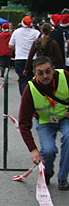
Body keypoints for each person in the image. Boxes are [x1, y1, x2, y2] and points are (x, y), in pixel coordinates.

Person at [18, 56, 69, 190]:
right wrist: (33, 149)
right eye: (40, 73)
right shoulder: (30, 89)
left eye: (48, 71)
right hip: (45, 121)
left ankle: (63, 178)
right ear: (34, 73)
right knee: (47, 151)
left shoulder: (65, 76)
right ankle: (47, 172)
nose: (45, 76)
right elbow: (23, 123)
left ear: (53, 69)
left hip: (65, 118)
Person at [9, 15, 41, 95]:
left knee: (22, 79)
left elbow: (10, 45)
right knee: (32, 79)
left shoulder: (16, 32)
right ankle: (32, 95)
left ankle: (24, 96)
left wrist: (17, 46)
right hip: (33, 59)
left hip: (19, 59)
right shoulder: (36, 33)